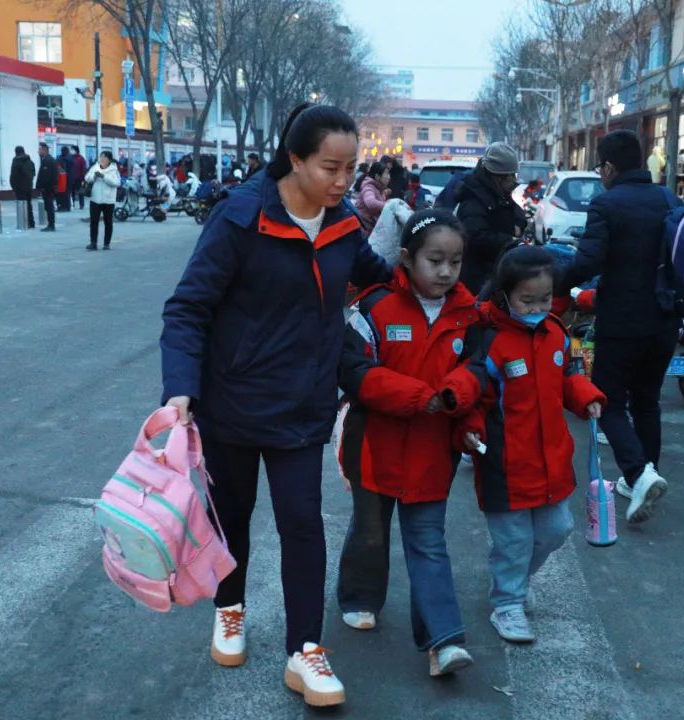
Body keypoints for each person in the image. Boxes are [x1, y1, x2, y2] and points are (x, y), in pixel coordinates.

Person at [160, 102, 390, 709]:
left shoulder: (342, 223)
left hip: (303, 404)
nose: (342, 182)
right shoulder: (240, 219)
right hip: (233, 402)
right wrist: (180, 387)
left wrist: (444, 281)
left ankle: (305, 650)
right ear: (296, 160)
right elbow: (188, 308)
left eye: (351, 169)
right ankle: (229, 610)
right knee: (232, 517)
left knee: (302, 522)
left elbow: (378, 276)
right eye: (330, 168)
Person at [337, 208, 481, 677]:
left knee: (428, 543)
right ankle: (360, 595)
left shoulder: (469, 314)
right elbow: (355, 372)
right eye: (434, 260)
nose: (445, 272)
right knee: (369, 530)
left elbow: (480, 371)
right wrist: (421, 397)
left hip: (431, 453)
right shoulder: (375, 307)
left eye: (454, 262)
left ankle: (444, 639)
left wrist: (460, 398)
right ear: (406, 258)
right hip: (373, 447)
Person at [459, 246, 605, 642]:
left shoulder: (556, 332)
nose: (538, 307)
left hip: (551, 458)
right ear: (504, 295)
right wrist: (468, 428)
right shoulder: (489, 340)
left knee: (557, 529)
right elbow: (475, 392)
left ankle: (515, 582)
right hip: (504, 463)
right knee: (514, 540)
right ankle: (507, 603)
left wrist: (586, 396)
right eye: (527, 300)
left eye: (545, 299)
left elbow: (569, 376)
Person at [564, 129, 681, 524]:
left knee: (609, 399)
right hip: (665, 320)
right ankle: (645, 475)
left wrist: (552, 282)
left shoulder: (606, 204)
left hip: (622, 321)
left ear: (610, 167)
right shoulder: (669, 199)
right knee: (647, 399)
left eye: (600, 168)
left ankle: (637, 472)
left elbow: (588, 263)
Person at [455, 142, 526, 295]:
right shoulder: (473, 199)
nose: (514, 179)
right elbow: (475, 237)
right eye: (511, 175)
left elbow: (515, 212)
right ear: (498, 177)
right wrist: (510, 240)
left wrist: (519, 225)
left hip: (494, 272)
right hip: (478, 280)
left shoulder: (498, 193)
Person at [84, 151, 121, 251]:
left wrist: (104, 177)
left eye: (104, 158)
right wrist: (94, 176)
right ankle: (93, 243)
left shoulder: (114, 170)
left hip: (108, 200)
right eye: (101, 158)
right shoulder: (95, 167)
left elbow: (117, 183)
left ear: (109, 160)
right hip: (95, 199)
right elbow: (87, 178)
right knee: (94, 222)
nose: (102, 160)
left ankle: (106, 243)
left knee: (108, 222)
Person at [353, 161, 390, 235]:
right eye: (386, 174)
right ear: (377, 176)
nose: (389, 177)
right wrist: (388, 206)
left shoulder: (380, 188)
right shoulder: (368, 187)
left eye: (389, 173)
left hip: (371, 229)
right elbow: (371, 203)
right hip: (362, 229)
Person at [10, 146, 36, 229]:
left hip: (19, 188)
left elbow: (13, 176)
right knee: (29, 204)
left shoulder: (16, 162)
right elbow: (33, 173)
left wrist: (14, 186)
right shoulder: (31, 162)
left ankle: (23, 223)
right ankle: (31, 222)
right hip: (29, 186)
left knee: (21, 205)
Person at [35, 142, 58, 232]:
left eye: (40, 149)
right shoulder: (46, 159)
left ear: (44, 150)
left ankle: (51, 225)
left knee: (49, 207)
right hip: (48, 187)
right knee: (48, 206)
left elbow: (47, 176)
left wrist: (42, 186)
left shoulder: (48, 160)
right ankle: (50, 224)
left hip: (48, 188)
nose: (38, 151)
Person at [57, 146, 73, 212]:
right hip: (63, 177)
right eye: (62, 150)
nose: (62, 152)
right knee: (62, 193)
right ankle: (62, 206)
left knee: (66, 193)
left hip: (67, 178)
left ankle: (66, 207)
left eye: (63, 151)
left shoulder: (68, 159)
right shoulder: (62, 158)